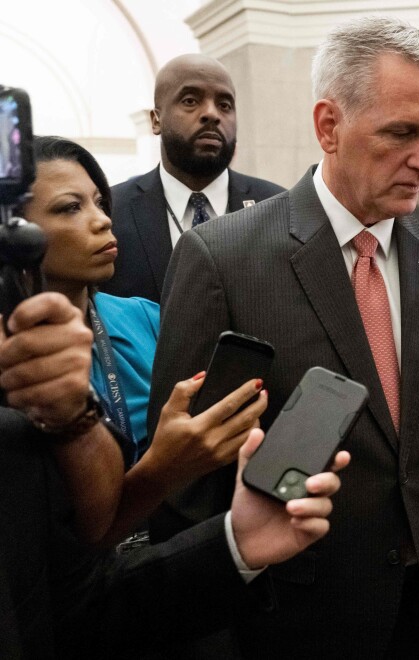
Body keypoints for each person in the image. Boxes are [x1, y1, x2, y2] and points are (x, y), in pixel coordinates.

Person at [147, 16, 419, 659]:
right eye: (401, 133)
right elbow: (187, 483)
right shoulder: (223, 259)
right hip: (299, 616)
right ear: (328, 126)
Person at [0, 291, 347, 658]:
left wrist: (236, 544)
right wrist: (162, 469)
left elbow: (79, 616)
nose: (103, 227)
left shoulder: (12, 441)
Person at [21, 135, 268, 546]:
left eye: (100, 203)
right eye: (70, 208)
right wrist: (164, 466)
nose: (101, 220)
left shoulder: (147, 317)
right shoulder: (15, 356)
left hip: (167, 556)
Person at [101, 54, 285, 302]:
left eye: (225, 105)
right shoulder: (110, 212)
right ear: (156, 120)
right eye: (190, 101)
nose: (212, 114)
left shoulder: (279, 207)